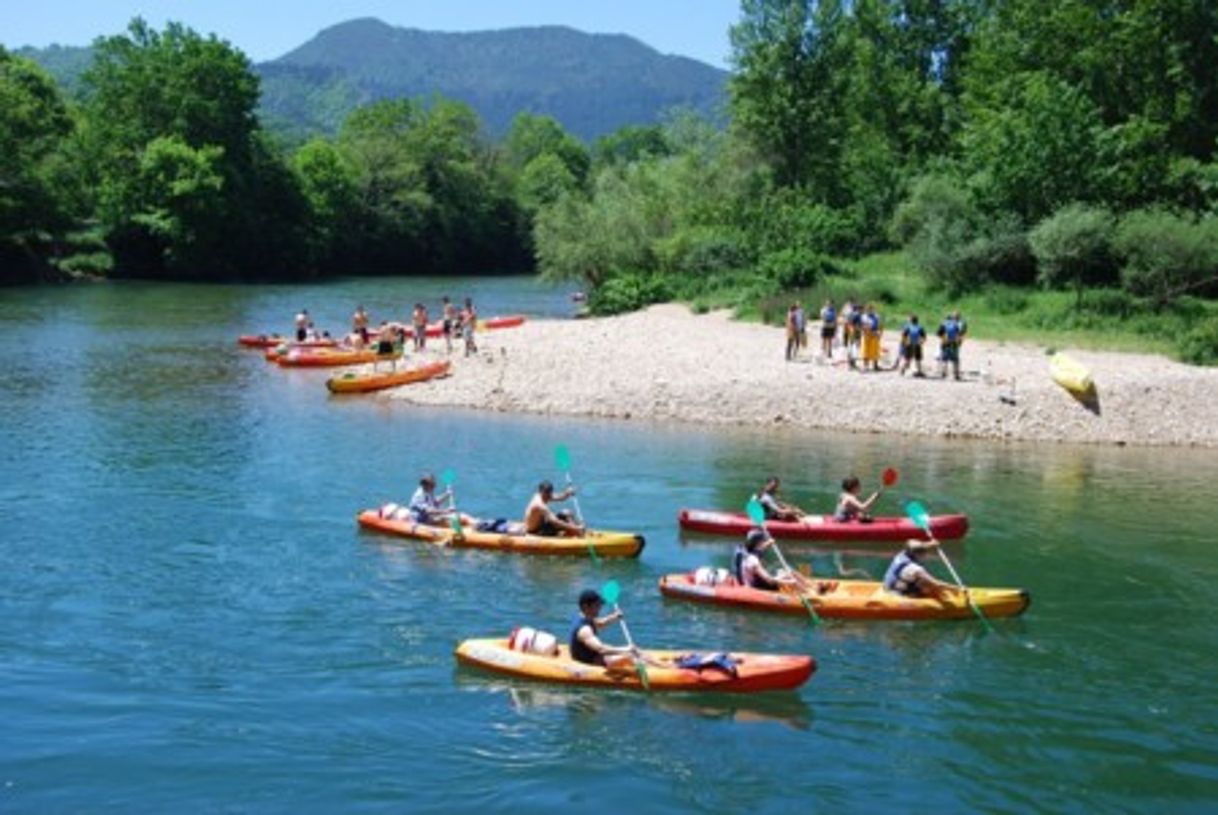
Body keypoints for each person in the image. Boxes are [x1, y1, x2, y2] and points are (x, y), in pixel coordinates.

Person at [569, 589, 637, 668]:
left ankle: (651, 664)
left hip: (595, 655)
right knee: (630, 657)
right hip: (590, 661)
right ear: (586, 606)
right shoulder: (584, 630)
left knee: (635, 653)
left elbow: (599, 623)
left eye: (600, 604)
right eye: (597, 605)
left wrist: (614, 617)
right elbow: (601, 649)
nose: (600, 607)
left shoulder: (583, 616)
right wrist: (626, 649)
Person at [731, 529, 809, 592]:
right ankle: (806, 592)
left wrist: (770, 542)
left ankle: (808, 586)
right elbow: (769, 580)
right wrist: (790, 582)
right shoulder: (753, 561)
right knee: (789, 573)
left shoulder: (747, 551)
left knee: (784, 569)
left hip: (753, 582)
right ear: (758, 543)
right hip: (756, 587)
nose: (764, 542)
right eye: (763, 541)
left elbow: (761, 548)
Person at [883, 539, 953, 600]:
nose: (926, 554)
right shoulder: (915, 569)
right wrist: (955, 589)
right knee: (926, 584)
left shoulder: (903, 553)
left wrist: (931, 543)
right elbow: (936, 583)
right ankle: (911, 595)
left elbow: (917, 548)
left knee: (919, 579)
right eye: (924, 553)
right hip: (894, 591)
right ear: (918, 554)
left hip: (889, 584)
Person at [408, 473, 475, 527]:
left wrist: (447, 494)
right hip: (421, 520)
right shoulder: (419, 496)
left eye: (434, 484)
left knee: (463, 516)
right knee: (449, 521)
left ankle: (479, 524)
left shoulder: (428, 491)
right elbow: (428, 511)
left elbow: (435, 502)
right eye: (432, 485)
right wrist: (446, 511)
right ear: (425, 485)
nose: (434, 486)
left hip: (429, 517)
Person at [937, 311, 966, 381]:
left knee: (944, 359)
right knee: (955, 360)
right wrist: (959, 342)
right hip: (954, 344)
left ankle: (943, 373)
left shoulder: (944, 324)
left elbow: (938, 333)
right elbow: (960, 334)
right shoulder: (956, 325)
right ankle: (956, 375)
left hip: (945, 343)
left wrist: (943, 339)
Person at [860, 304, 882, 372]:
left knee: (875, 350)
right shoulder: (863, 317)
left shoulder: (877, 316)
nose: (870, 310)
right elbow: (861, 326)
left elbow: (879, 325)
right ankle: (865, 366)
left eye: (871, 309)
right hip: (866, 335)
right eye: (868, 309)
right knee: (865, 351)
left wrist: (879, 333)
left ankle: (875, 365)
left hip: (874, 334)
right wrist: (865, 329)